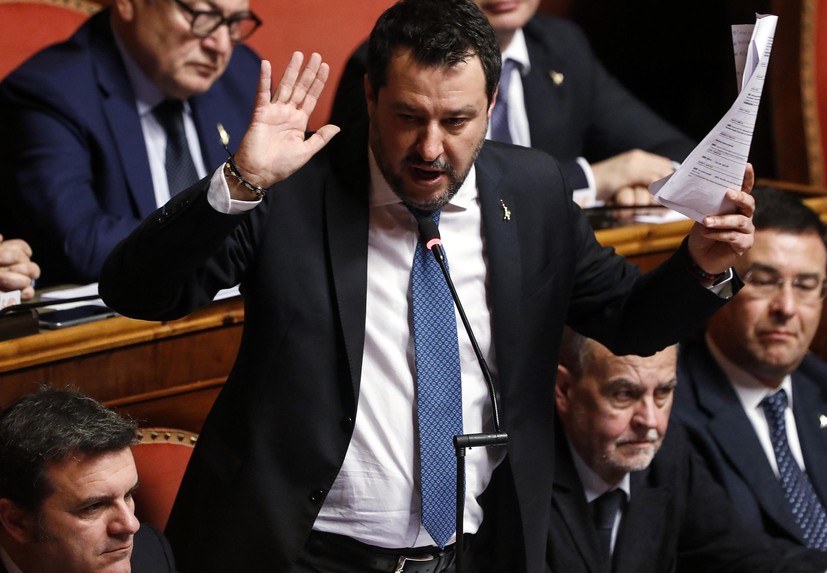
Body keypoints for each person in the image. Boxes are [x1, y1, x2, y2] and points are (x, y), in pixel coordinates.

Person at [98, 0, 756, 569]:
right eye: (409, 116)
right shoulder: (292, 189)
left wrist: (699, 261)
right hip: (295, 551)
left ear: (491, 106)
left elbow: (628, 319)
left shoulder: (532, 192)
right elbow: (138, 291)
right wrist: (237, 183)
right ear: (369, 97)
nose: (431, 148)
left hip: (468, 552)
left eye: (457, 120)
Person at [550, 329, 827, 573]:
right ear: (564, 390)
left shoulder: (667, 452)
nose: (650, 421)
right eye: (623, 394)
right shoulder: (514, 477)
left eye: (663, 392)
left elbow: (738, 553)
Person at [329, 0, 695, 207]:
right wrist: (591, 180)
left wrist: (647, 183)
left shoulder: (560, 46)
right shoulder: (390, 65)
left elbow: (674, 150)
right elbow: (430, 187)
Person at [0, 0, 263, 286]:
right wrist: (220, 232)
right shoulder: (50, 93)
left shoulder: (243, 74)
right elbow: (81, 245)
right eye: (203, 16)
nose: (221, 45)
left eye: (234, 22)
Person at [674, 187, 827, 563]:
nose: (786, 307)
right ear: (723, 284)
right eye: (764, 281)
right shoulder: (672, 406)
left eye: (805, 285)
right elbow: (720, 556)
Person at [0, 387, 175, 573]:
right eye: (94, 506)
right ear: (18, 522)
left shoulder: (151, 553)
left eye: (129, 495)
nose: (131, 525)